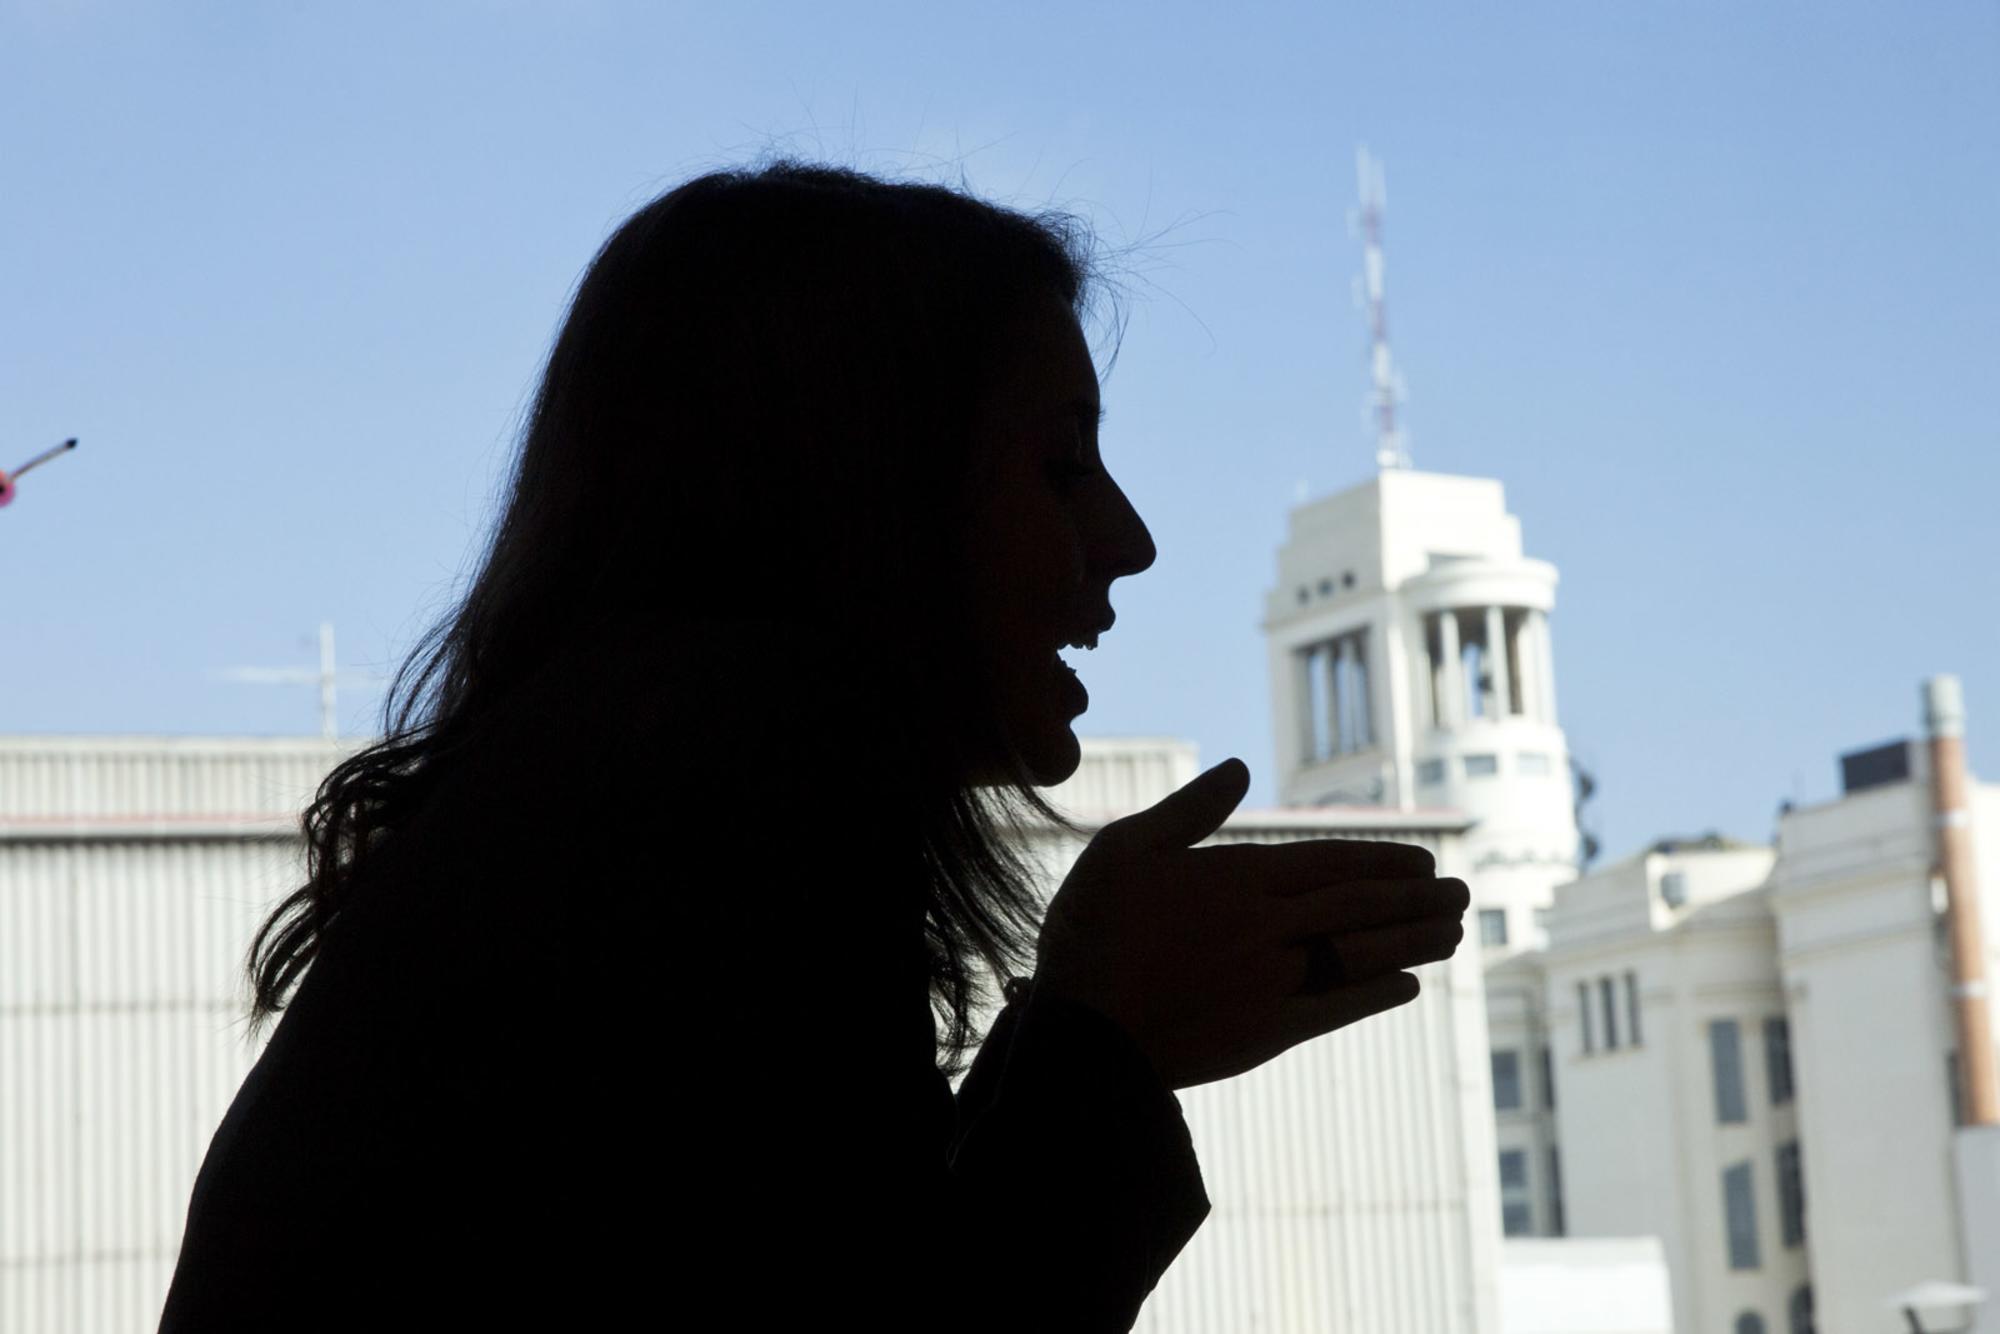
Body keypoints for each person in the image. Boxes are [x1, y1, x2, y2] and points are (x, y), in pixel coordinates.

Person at [156, 160, 1470, 1332]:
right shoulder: (727, 800)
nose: (1127, 539)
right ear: (870, 495)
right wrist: (1100, 1040)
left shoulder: (606, 798)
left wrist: (1088, 1031)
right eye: (1060, 464)